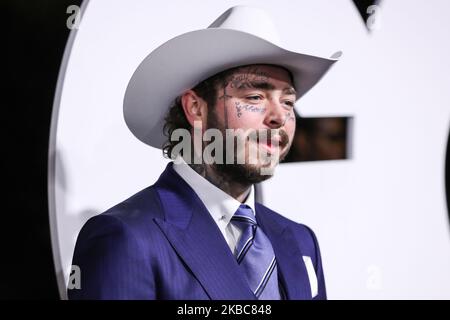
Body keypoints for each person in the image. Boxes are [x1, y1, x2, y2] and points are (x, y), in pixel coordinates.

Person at [68, 5, 340, 300]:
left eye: (288, 102)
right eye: (255, 97)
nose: (279, 117)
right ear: (196, 108)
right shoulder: (126, 237)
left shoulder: (301, 241)